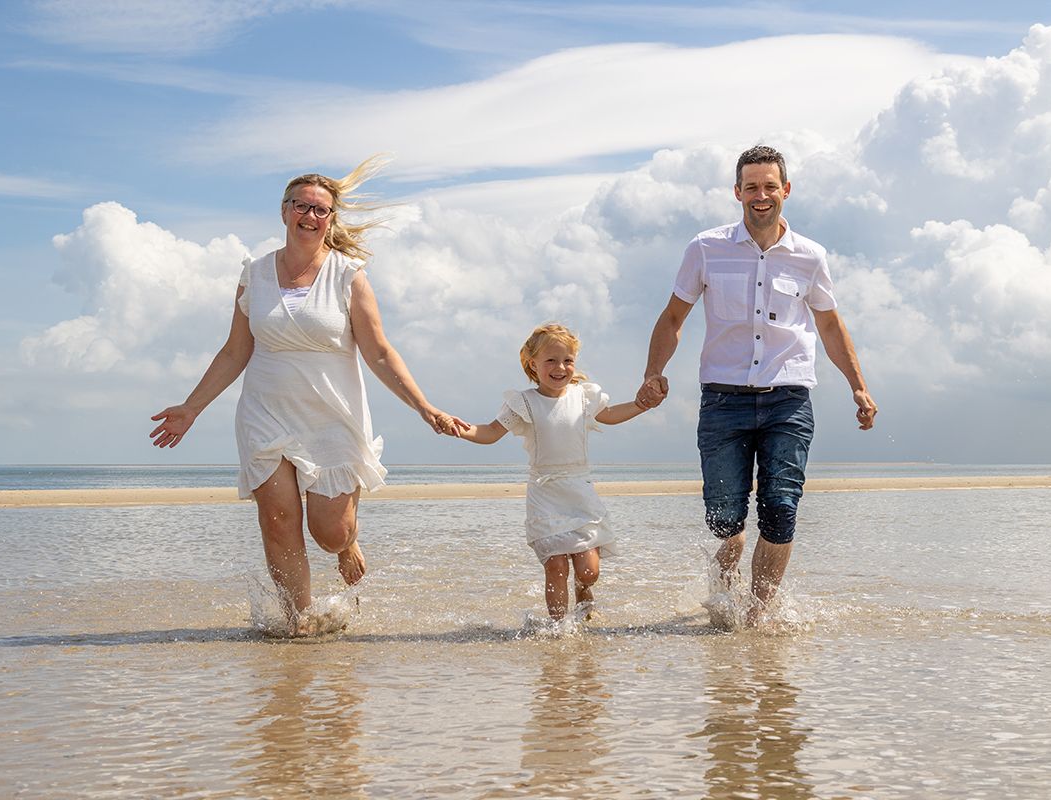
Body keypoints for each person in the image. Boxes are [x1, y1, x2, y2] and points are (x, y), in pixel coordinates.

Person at [149, 158, 464, 633]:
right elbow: (236, 351)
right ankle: (301, 622)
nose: (311, 216)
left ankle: (348, 543)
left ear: (331, 219)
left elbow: (378, 351)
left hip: (331, 416)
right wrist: (191, 408)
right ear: (284, 211)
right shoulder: (252, 275)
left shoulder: (348, 275)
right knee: (278, 523)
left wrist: (424, 405)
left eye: (321, 210)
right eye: (302, 206)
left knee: (328, 532)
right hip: (266, 414)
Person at [636, 144, 877, 628]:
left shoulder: (810, 257)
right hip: (723, 400)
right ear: (737, 192)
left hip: (788, 399)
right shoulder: (706, 248)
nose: (761, 195)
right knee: (726, 519)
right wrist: (653, 372)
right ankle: (723, 600)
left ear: (785, 190)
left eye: (770, 186)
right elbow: (673, 316)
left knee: (781, 509)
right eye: (751, 187)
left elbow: (830, 327)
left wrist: (858, 386)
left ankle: (757, 616)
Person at [453, 323, 649, 621]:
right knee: (556, 566)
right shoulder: (524, 403)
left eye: (567, 360)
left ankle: (584, 590)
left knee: (588, 571)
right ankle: (558, 630)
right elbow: (490, 433)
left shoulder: (584, 396)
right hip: (544, 493)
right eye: (551, 361)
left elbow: (609, 415)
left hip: (578, 490)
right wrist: (459, 429)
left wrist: (640, 405)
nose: (560, 367)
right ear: (533, 364)